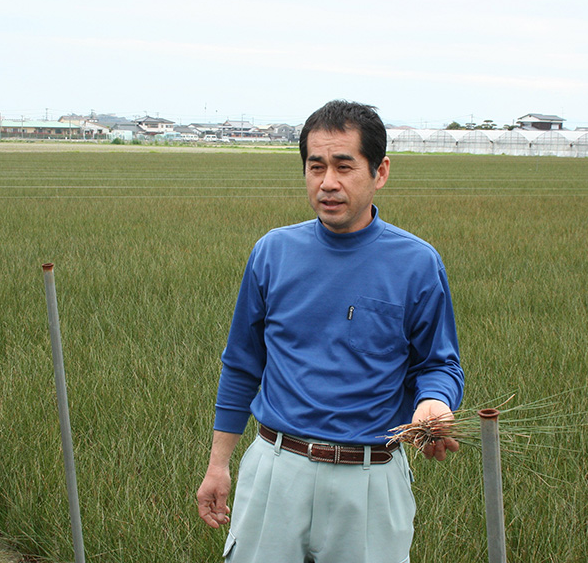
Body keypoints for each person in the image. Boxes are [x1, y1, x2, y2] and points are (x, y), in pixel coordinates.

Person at [197, 100, 464, 563]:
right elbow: (242, 364)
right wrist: (219, 464)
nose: (328, 183)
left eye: (344, 166)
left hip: (370, 481)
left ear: (379, 172)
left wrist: (433, 404)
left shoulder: (417, 263)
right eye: (315, 167)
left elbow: (438, 363)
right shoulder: (272, 253)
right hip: (275, 470)